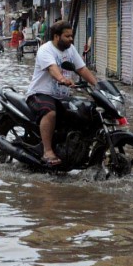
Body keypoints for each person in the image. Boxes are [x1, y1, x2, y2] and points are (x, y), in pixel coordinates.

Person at [26, 21, 98, 167]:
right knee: (50, 112)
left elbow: (82, 69)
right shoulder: (45, 50)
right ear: (56, 36)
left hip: (61, 96)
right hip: (40, 93)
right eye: (67, 36)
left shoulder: (70, 49)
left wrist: (98, 86)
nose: (71, 39)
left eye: (72, 36)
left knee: (84, 112)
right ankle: (47, 151)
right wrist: (62, 79)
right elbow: (52, 68)